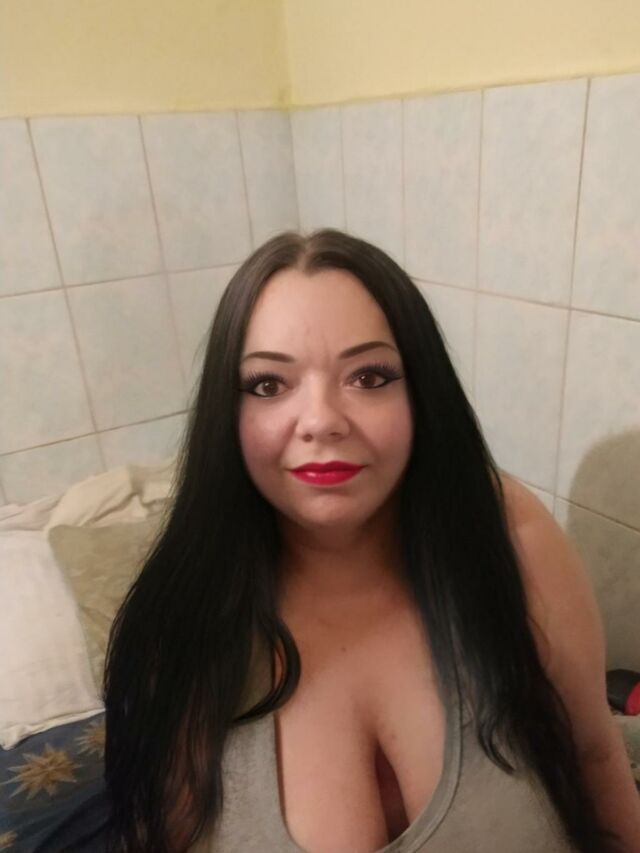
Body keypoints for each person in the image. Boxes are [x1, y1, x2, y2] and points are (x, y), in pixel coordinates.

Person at [102, 229, 626, 853]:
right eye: (268, 385)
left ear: (420, 394)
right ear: (227, 413)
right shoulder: (181, 627)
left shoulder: (511, 538)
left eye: (370, 376)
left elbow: (596, 757)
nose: (322, 420)